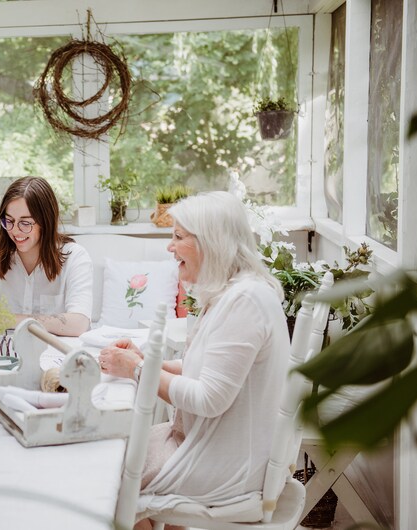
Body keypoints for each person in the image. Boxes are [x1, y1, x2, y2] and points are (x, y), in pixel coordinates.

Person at [98, 191, 289, 529]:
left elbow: (209, 398)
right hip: (217, 445)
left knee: (104, 481)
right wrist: (144, 360)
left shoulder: (245, 301)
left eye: (178, 237)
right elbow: (207, 371)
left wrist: (138, 370)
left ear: (209, 242)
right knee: (113, 450)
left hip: (229, 463)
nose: (169, 248)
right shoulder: (233, 292)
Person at [0, 176, 93, 336]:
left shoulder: (74, 257)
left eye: (25, 223)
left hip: (52, 355)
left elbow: (79, 323)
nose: (15, 231)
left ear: (46, 221)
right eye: (9, 221)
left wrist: (6, 319)